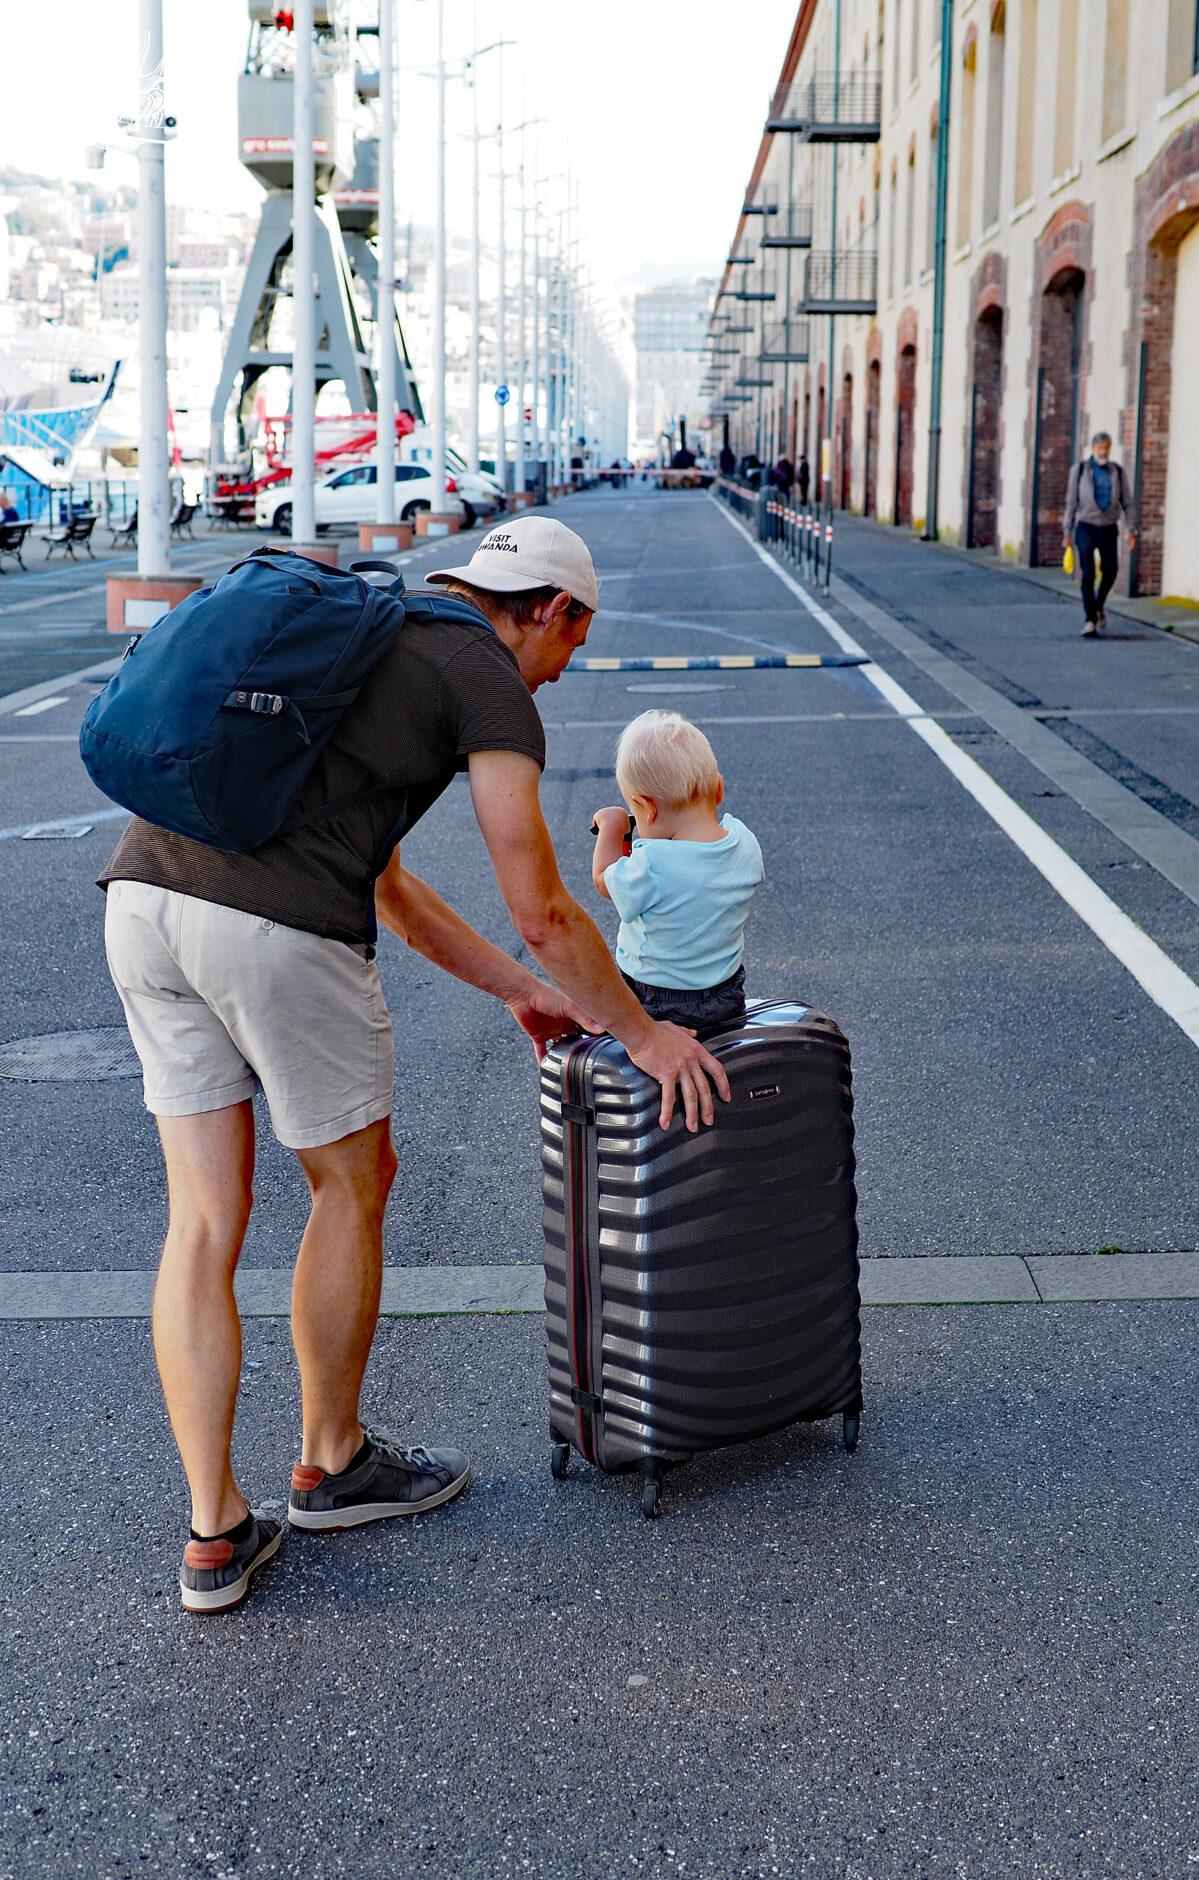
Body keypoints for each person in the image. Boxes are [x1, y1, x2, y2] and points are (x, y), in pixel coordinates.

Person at [100, 516, 730, 1614]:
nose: (561, 669)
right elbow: (540, 903)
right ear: (554, 609)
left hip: (143, 897)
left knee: (201, 1219)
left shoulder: (378, 624)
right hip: (273, 929)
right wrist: (641, 1030)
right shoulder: (483, 678)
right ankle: (332, 1461)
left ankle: (213, 1532)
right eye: (571, 644)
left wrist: (522, 994)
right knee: (352, 1179)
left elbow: (388, 884)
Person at [590, 711, 764, 1030]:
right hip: (726, 992)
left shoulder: (651, 864)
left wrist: (611, 827)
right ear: (719, 789)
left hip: (654, 996)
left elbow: (604, 881)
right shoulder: (745, 842)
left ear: (649, 809)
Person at [1062, 431, 1137, 639]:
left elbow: (1128, 502)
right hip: (1085, 525)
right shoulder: (1080, 470)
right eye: (1099, 448)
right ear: (1093, 448)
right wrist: (1067, 530)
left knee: (1110, 568)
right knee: (1088, 572)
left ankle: (1098, 604)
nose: (1103, 452)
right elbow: (1071, 502)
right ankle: (1089, 620)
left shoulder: (1117, 472)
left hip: (1108, 526)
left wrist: (1131, 529)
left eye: (1106, 448)